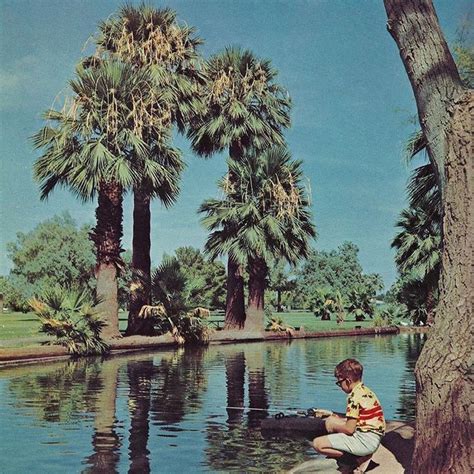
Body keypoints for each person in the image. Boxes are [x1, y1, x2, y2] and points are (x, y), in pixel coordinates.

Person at [313, 358, 385, 473]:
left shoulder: (353, 397)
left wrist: (332, 425)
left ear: (347, 381)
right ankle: (359, 455)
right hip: (373, 439)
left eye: (339, 382)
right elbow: (357, 418)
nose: (339, 386)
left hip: (365, 442)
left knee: (318, 444)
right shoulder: (366, 391)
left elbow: (349, 429)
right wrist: (332, 415)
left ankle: (353, 460)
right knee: (334, 419)